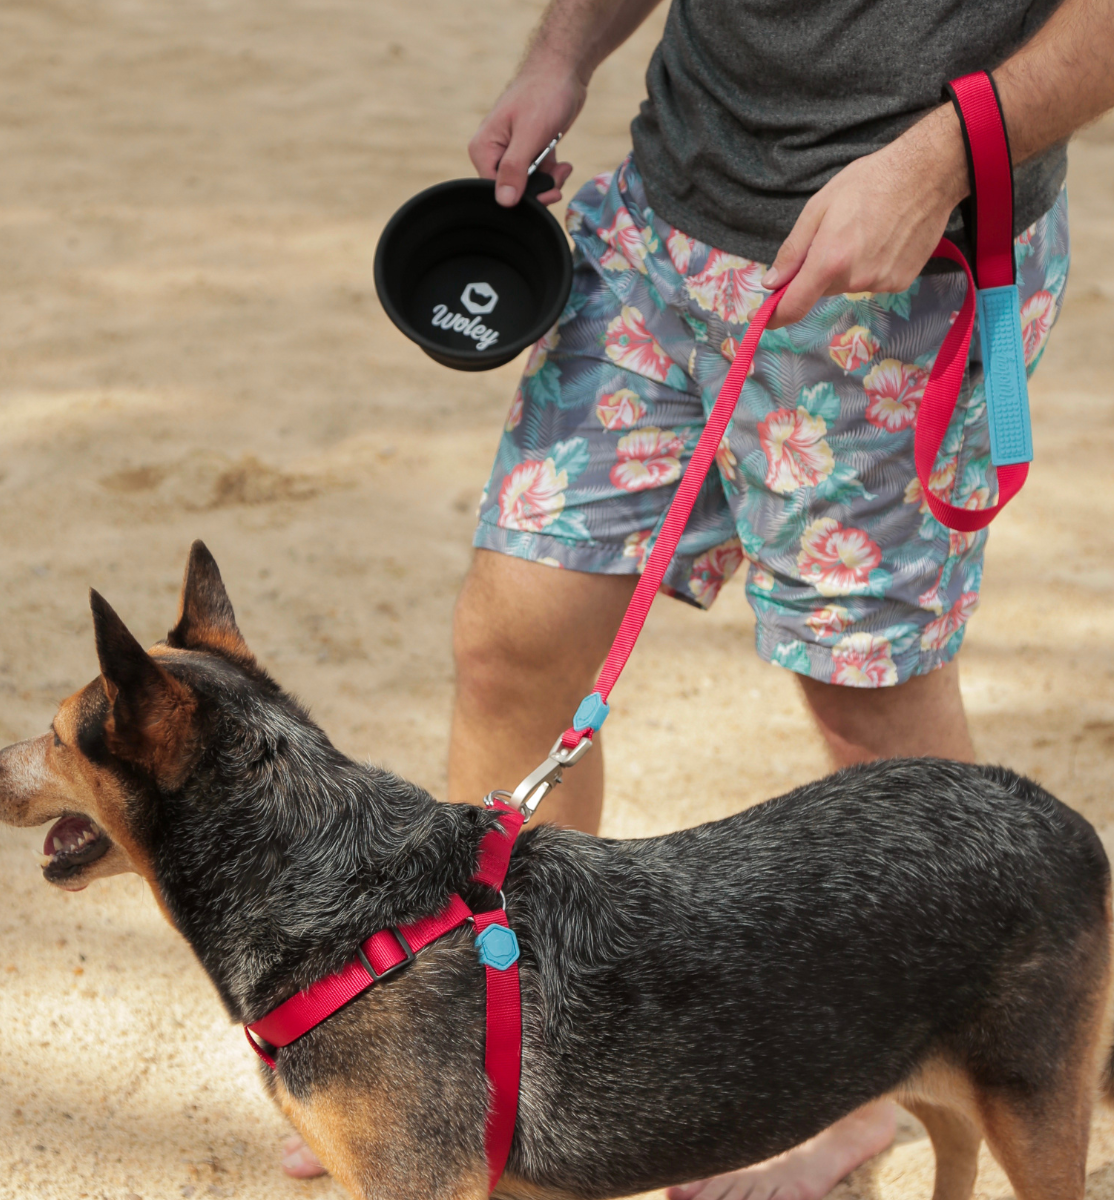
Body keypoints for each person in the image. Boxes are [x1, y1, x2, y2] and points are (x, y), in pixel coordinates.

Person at [283, 0, 1114, 1190]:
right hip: (664, 220)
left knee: (864, 701)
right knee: (515, 637)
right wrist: (562, 53)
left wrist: (940, 158)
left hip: (906, 261)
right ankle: (472, 1063)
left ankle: (882, 1072)